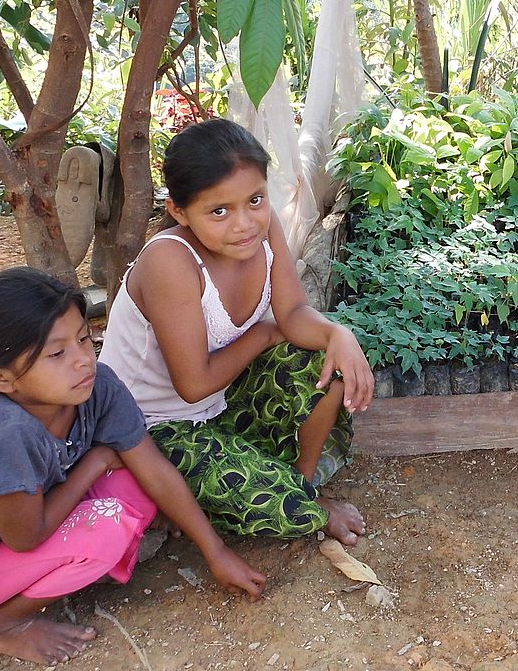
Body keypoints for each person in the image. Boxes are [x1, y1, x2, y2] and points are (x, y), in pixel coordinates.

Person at [0, 267, 265, 666]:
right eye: (57, 354)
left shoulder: (98, 386)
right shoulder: (5, 432)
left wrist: (215, 551)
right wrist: (96, 463)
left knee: (138, 485)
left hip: (26, 520)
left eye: (84, 339)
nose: (83, 360)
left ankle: (76, 564)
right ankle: (0, 624)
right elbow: (26, 538)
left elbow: (152, 467)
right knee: (106, 530)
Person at [99, 118, 374, 545]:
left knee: (328, 366)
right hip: (151, 429)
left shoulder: (263, 233)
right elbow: (192, 385)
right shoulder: (170, 262)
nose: (244, 223)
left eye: (256, 200)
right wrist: (265, 334)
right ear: (179, 211)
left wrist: (338, 334)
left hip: (222, 399)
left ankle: (299, 486)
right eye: (219, 211)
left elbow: (294, 310)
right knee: (265, 499)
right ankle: (293, 502)